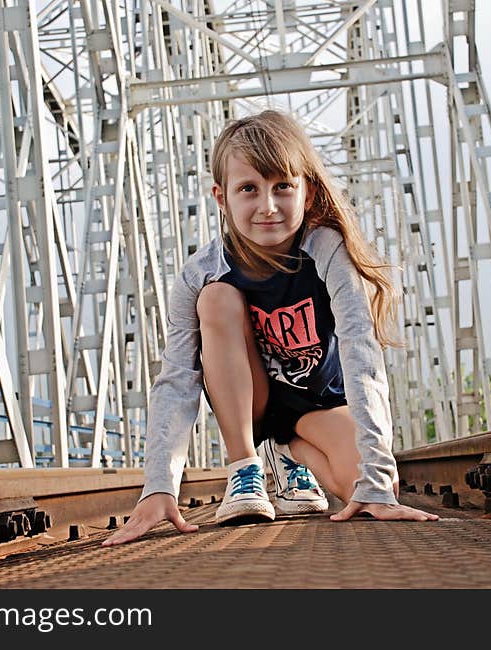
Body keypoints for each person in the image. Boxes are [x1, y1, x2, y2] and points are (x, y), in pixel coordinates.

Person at [103, 110, 438, 546]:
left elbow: (360, 346)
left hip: (318, 403)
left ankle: (285, 451)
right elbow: (177, 379)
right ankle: (246, 467)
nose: (268, 205)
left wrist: (376, 474)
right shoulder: (200, 272)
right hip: (253, 399)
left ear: (307, 190)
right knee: (217, 298)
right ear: (221, 198)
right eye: (249, 189)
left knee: (369, 489)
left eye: (283, 186)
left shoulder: (325, 248)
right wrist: (159, 486)